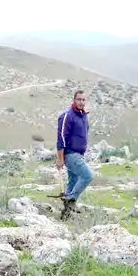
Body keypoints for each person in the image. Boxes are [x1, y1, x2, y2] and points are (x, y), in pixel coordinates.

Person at [56, 90, 92, 219]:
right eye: (79, 99)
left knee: (73, 181)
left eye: (83, 100)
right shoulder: (67, 116)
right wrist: (60, 158)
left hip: (79, 154)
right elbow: (61, 138)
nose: (81, 102)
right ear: (74, 100)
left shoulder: (83, 115)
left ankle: (65, 215)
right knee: (87, 176)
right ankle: (70, 200)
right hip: (70, 154)